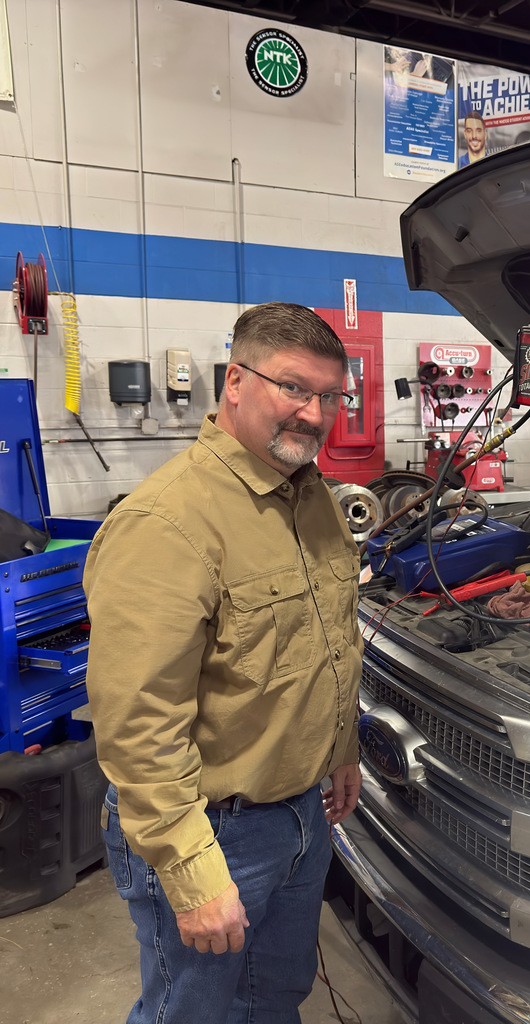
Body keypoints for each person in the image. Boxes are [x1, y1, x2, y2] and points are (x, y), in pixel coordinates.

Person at [84, 301, 364, 1024]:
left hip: (301, 813)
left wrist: (341, 751)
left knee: (274, 999)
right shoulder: (166, 523)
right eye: (293, 387)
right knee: (192, 1013)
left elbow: (327, 640)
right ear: (234, 382)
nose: (314, 414)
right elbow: (138, 724)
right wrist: (192, 871)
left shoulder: (315, 499)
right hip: (211, 828)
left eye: (330, 396)